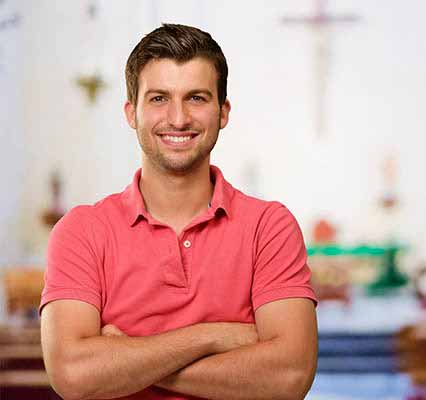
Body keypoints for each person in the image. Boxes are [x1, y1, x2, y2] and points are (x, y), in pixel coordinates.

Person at [39, 23, 318, 400]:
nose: (178, 118)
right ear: (131, 113)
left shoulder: (269, 226)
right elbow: (73, 374)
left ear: (223, 112)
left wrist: (127, 359)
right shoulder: (81, 230)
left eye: (197, 98)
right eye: (158, 99)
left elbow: (289, 377)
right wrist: (215, 336)